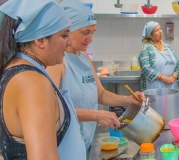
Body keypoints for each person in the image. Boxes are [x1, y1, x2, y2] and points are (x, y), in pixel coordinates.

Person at [0, 0, 95, 160]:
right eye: (63, 35)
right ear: (41, 40)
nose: (68, 43)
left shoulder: (25, 70)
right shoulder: (31, 82)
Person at [46, 0, 144, 151]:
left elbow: (101, 94)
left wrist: (128, 100)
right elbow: (51, 110)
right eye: (85, 33)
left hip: (85, 141)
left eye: (93, 33)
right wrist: (96, 115)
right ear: (67, 30)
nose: (90, 39)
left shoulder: (83, 57)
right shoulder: (57, 62)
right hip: (65, 146)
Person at [138, 21, 179, 91]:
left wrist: (173, 77)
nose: (160, 32)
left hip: (171, 87)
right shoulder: (146, 48)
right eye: (157, 30)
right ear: (150, 34)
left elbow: (178, 63)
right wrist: (164, 78)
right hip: (154, 89)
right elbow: (145, 69)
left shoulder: (168, 47)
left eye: (160, 29)